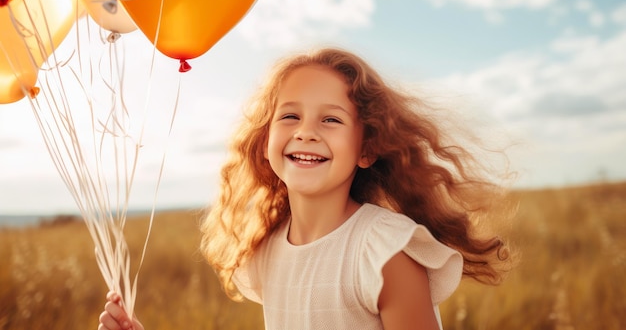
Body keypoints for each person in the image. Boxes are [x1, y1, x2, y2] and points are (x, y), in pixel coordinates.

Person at [98, 47, 515, 330]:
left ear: (367, 148)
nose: (306, 133)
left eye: (330, 120)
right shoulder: (264, 253)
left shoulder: (385, 252)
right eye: (290, 117)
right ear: (265, 140)